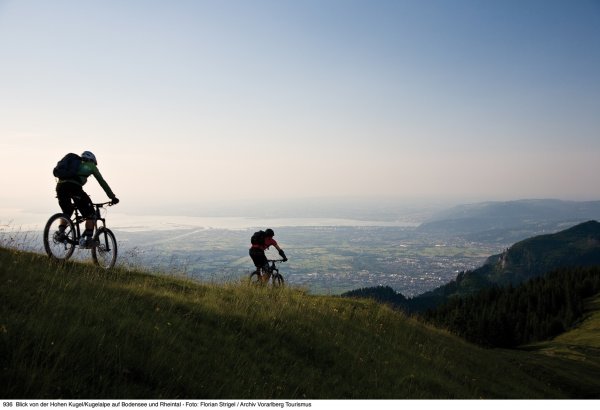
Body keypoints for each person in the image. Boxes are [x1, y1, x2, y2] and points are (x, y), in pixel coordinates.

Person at [55, 151, 119, 247]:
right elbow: (102, 182)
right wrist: (112, 197)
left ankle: (61, 233)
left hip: (60, 187)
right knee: (91, 214)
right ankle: (89, 240)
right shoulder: (91, 166)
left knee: (67, 211)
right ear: (92, 160)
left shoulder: (73, 164)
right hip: (74, 188)